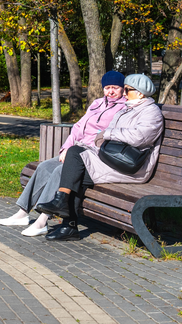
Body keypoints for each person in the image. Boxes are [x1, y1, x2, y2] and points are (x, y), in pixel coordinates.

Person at [36, 73, 165, 241]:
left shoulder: (151, 112)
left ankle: (68, 221)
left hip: (132, 166)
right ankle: (64, 211)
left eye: (127, 90)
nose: (124, 93)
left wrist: (109, 133)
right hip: (114, 158)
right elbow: (105, 135)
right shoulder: (128, 109)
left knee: (78, 171)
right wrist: (103, 138)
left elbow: (140, 137)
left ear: (140, 93)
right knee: (75, 152)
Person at [0, 71, 127, 236]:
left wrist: (80, 149)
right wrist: (66, 148)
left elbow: (109, 136)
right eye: (107, 87)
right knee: (45, 166)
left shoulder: (123, 109)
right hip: (76, 148)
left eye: (115, 88)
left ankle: (42, 221)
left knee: (60, 171)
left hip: (92, 152)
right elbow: (77, 127)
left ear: (123, 89)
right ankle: (22, 213)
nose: (110, 92)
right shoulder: (97, 103)